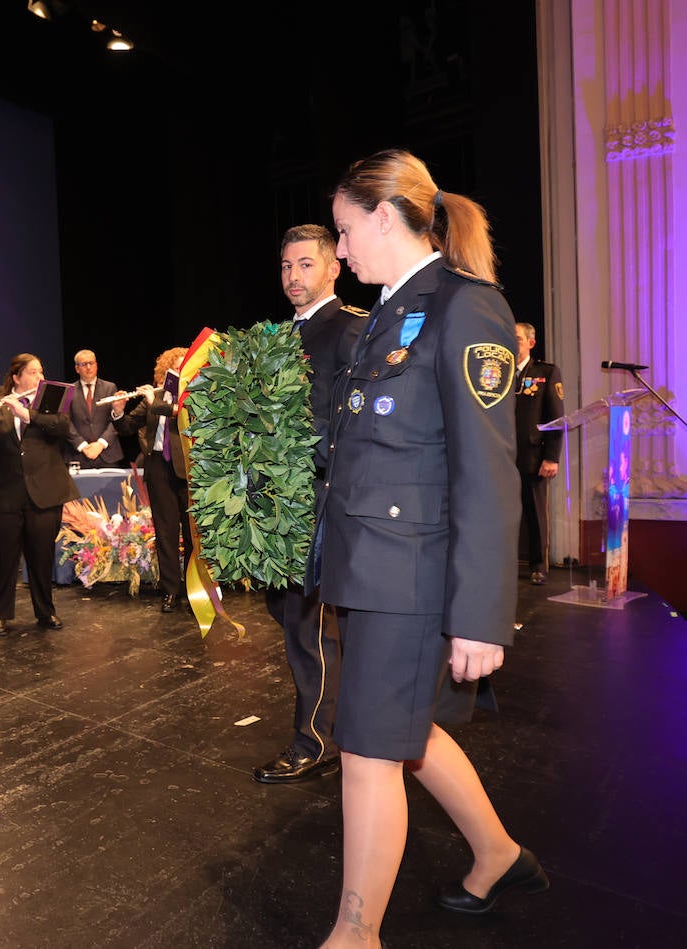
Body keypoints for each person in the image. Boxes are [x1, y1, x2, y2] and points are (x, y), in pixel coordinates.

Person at [311, 148, 547, 949]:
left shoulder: (464, 307)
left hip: (411, 576)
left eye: (344, 231)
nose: (340, 251)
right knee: (406, 732)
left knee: (368, 749)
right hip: (372, 567)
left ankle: (356, 933)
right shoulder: (386, 313)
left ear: (384, 215)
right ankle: (499, 853)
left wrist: (482, 615)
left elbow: (491, 470)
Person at [255, 225, 367, 784]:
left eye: (304, 265)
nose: (293, 276)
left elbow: (355, 425)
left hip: (321, 505)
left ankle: (315, 739)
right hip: (278, 506)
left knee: (309, 628)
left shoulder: (352, 330)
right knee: (290, 619)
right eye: (285, 266)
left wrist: (296, 437)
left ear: (332, 268)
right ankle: (338, 723)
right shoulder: (275, 337)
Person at [0, 353, 78, 634]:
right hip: (5, 495)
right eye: (32, 372)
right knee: (3, 559)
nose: (40, 378)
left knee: (42, 558)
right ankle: (0, 614)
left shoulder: (51, 400)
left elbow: (63, 427)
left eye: (41, 371)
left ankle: (46, 612)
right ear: (17, 377)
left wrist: (27, 414)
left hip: (43, 493)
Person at [112, 347, 190, 614]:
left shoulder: (194, 396)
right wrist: (118, 412)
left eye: (183, 368)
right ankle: (170, 590)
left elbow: (176, 413)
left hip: (188, 469)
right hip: (158, 468)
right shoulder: (153, 396)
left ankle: (195, 591)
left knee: (192, 534)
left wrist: (154, 400)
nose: (179, 372)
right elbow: (127, 428)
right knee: (165, 532)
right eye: (175, 368)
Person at [513, 322, 563, 585]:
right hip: (501, 458)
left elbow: (557, 419)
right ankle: (501, 564)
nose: (512, 342)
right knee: (501, 513)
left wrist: (552, 457)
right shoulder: (497, 373)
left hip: (532, 457)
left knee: (535, 514)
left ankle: (538, 566)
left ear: (530, 342)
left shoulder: (546, 372)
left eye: (517, 338)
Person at [65, 349, 123, 469]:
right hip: (78, 455)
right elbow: (65, 422)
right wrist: (83, 446)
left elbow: (116, 419)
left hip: (107, 454)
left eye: (91, 363)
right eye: (83, 364)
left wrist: (101, 444)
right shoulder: (68, 390)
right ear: (77, 368)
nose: (88, 367)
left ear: (96, 365)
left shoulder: (110, 388)